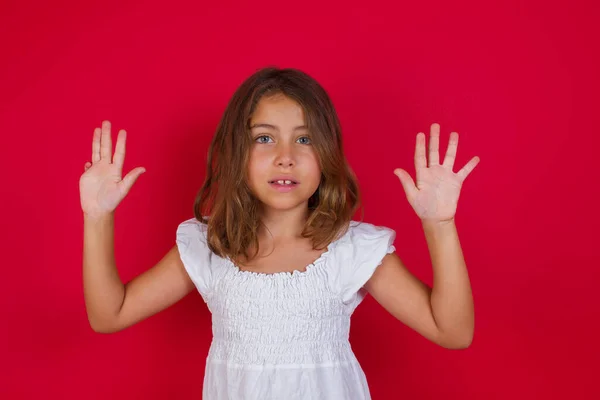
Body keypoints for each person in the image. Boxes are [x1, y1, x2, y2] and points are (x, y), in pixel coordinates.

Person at [80, 67, 480, 400]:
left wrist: (439, 226)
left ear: (326, 154)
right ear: (239, 151)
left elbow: (453, 331)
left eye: (303, 139)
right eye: (264, 138)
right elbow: (108, 315)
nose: (285, 157)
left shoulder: (349, 251)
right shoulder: (210, 248)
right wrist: (97, 217)